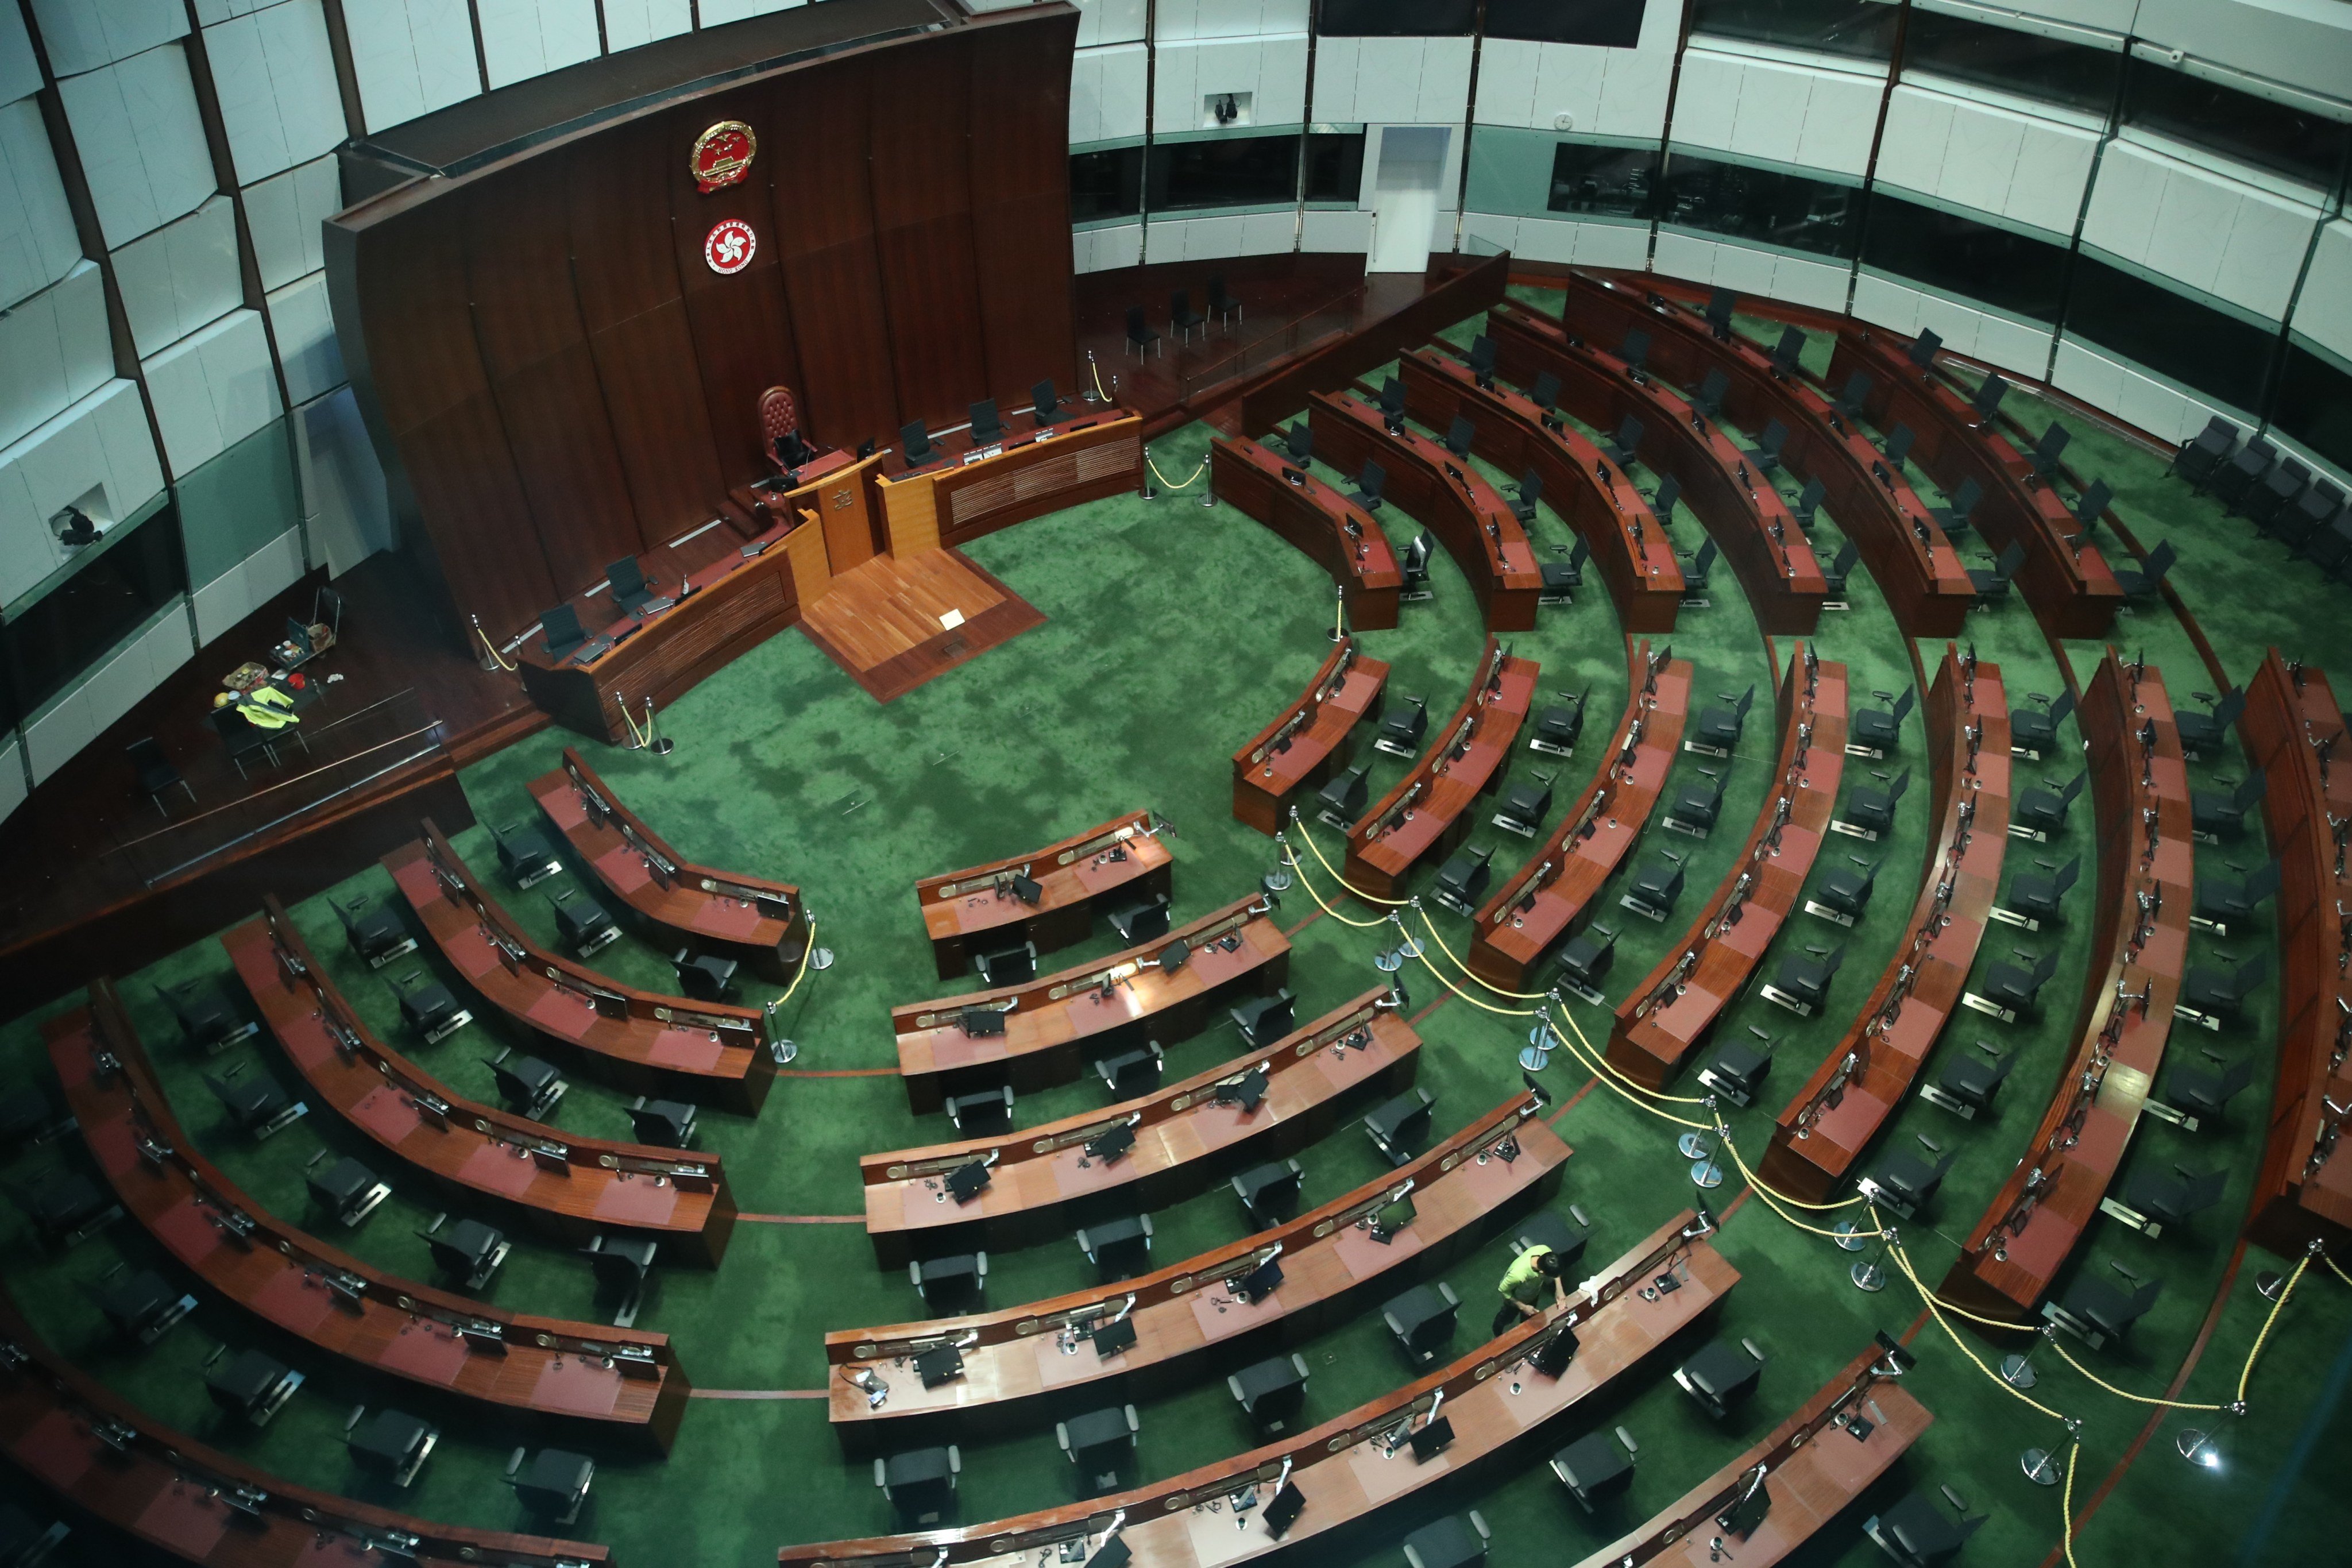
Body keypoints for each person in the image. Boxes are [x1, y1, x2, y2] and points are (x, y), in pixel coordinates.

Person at [1494, 1242, 1565, 1335]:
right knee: (1505, 1319)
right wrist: (1523, 1307)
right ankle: (1497, 1335)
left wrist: (1559, 1290)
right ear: (1542, 1272)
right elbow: (1503, 1290)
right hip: (1516, 1300)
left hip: (1533, 1294)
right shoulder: (1518, 1274)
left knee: (1528, 1320)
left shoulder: (1545, 1251)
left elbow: (1556, 1273)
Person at [215, 683, 299, 732]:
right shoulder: (246, 706)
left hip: (251, 731)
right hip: (263, 727)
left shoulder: (233, 713)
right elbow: (268, 710)